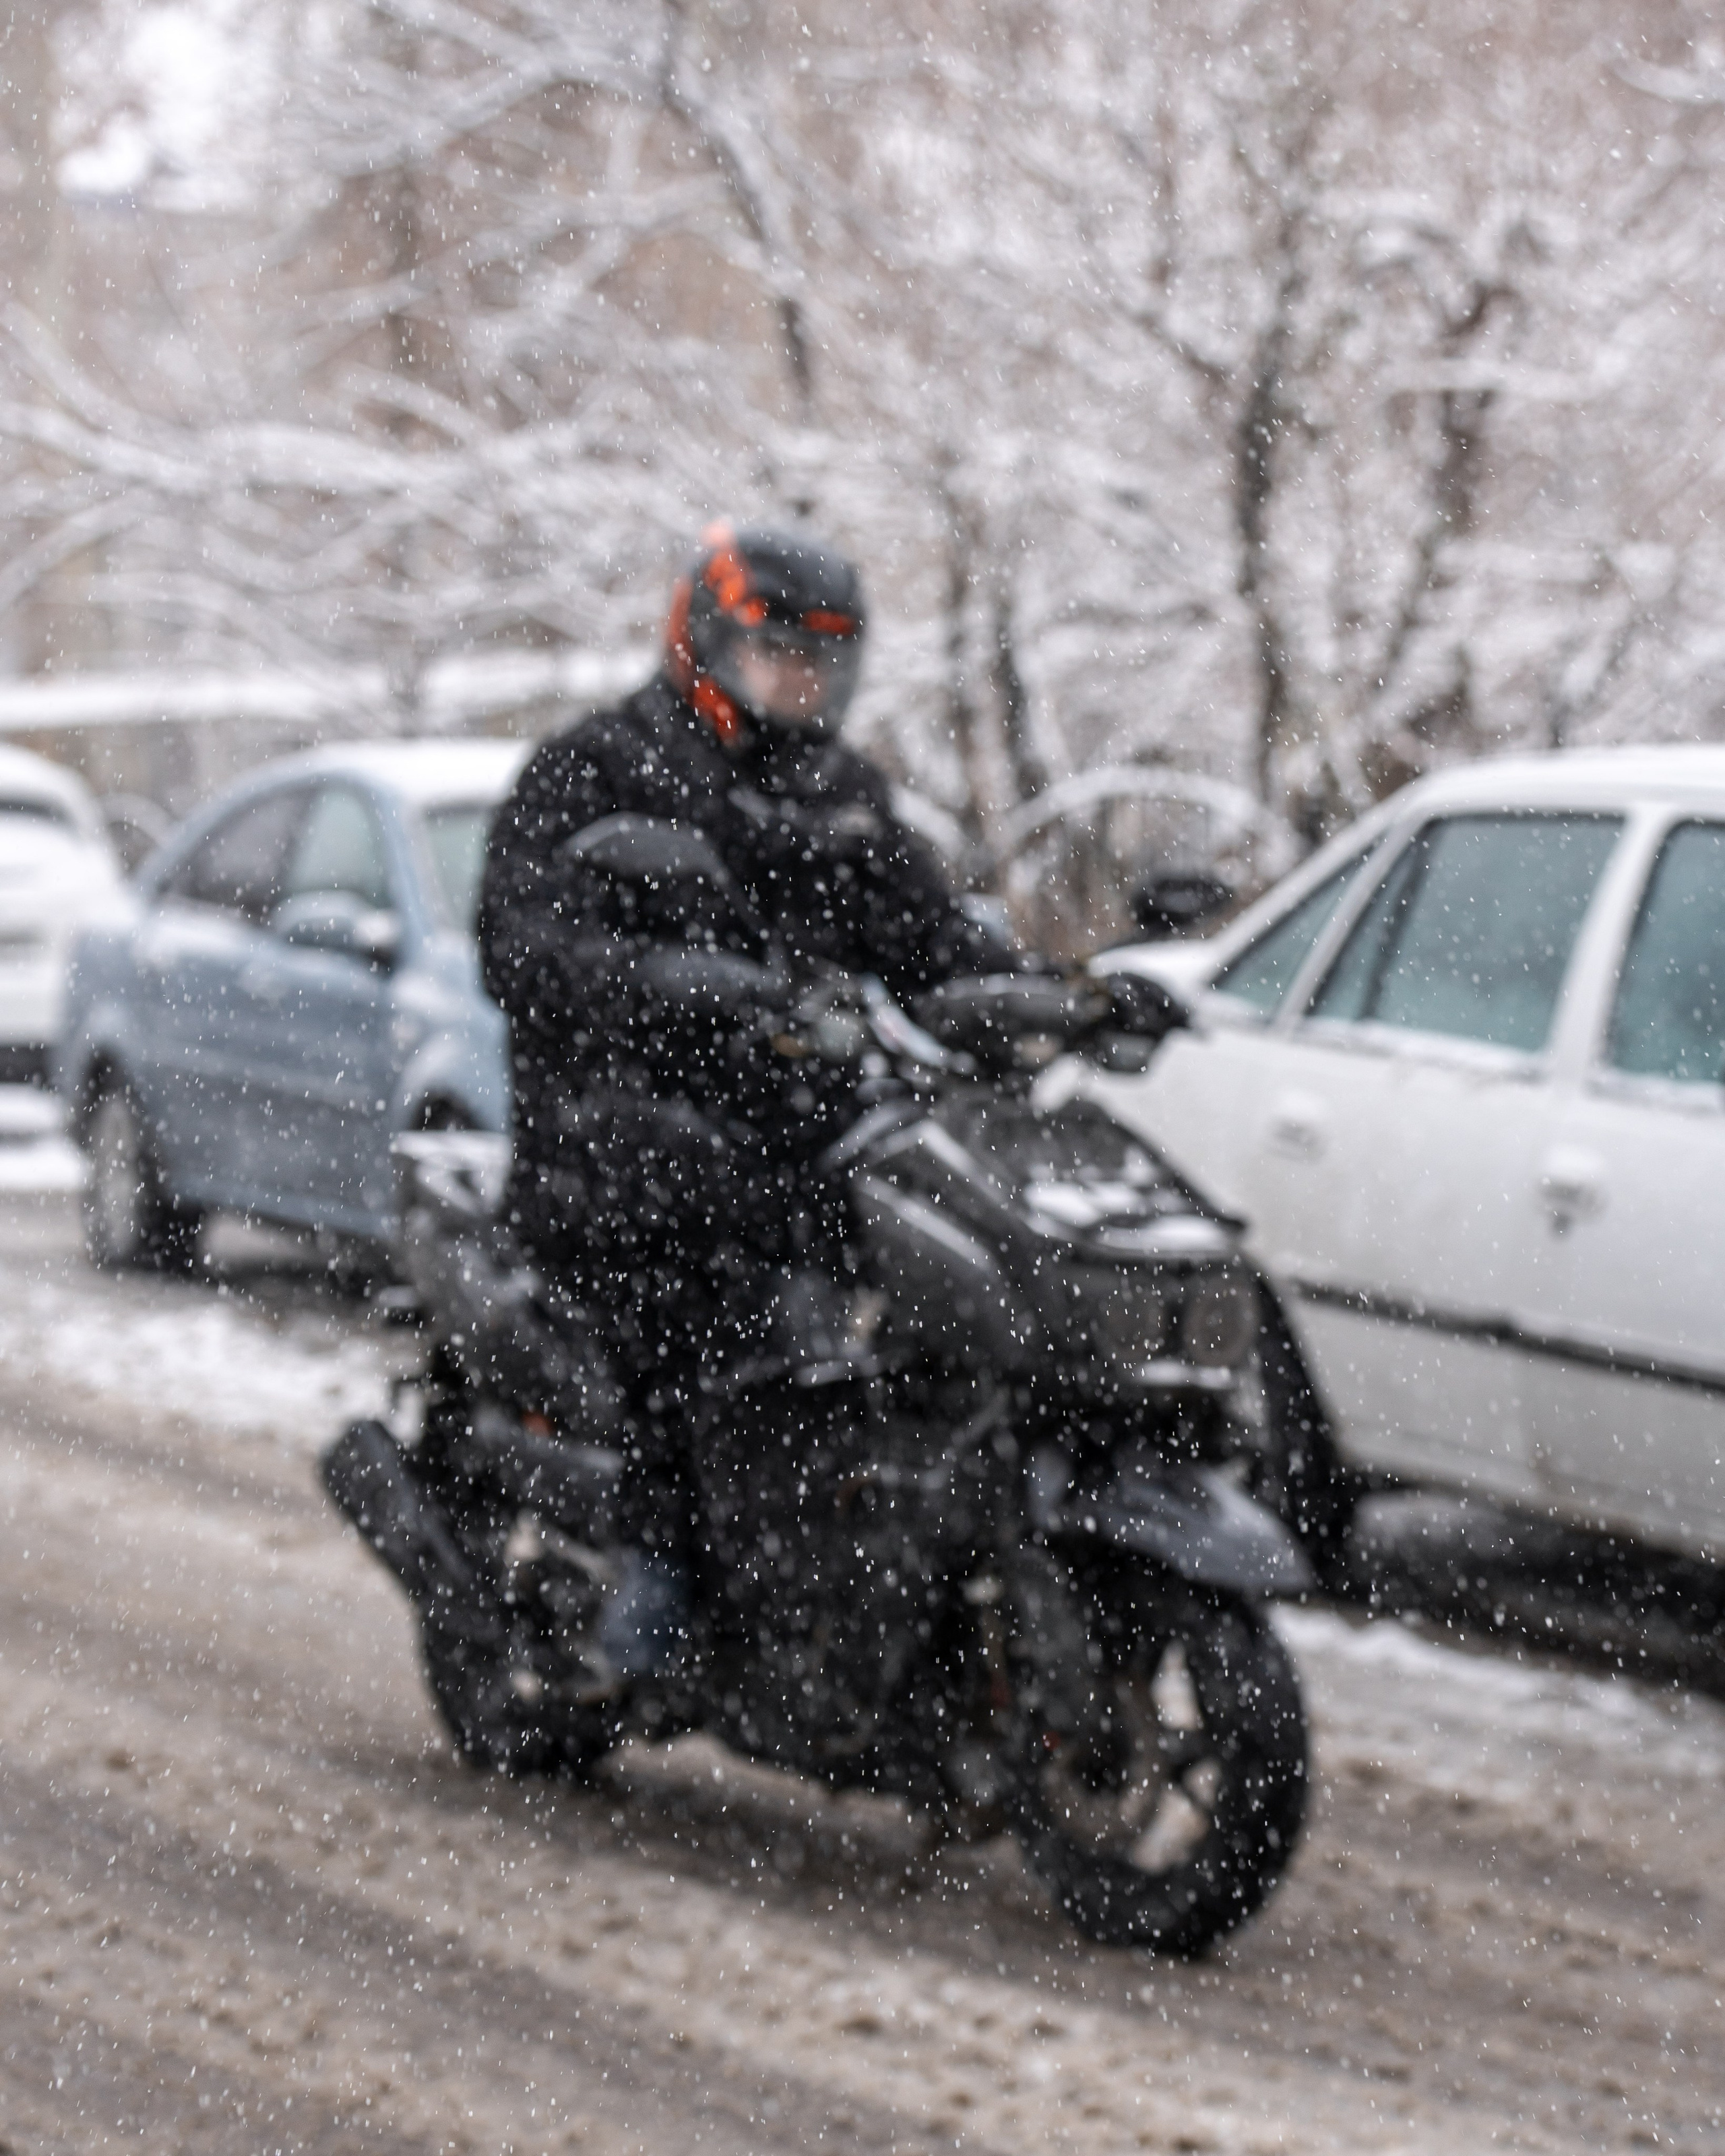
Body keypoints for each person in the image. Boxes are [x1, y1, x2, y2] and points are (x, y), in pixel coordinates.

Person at [476, 522, 999, 1675]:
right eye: (781, 655)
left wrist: (1042, 998)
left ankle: (891, 1575)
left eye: (827, 660)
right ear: (705, 644)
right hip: (617, 1135)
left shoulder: (845, 796)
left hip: (795, 1132)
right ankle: (659, 1572)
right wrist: (664, 983)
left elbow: (927, 939)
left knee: (932, 1307)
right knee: (709, 1304)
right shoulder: (597, 769)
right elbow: (519, 949)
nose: (805, 682)